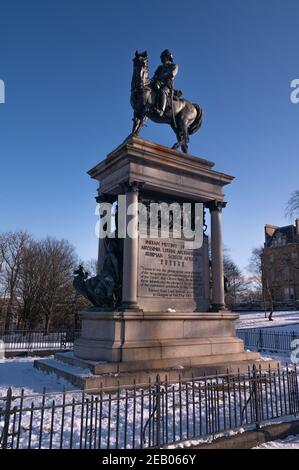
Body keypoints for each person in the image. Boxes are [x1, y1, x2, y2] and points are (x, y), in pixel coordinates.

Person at [152, 49, 179, 117]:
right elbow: (154, 76)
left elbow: (172, 74)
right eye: (161, 57)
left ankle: (161, 111)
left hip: (167, 86)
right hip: (157, 83)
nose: (162, 59)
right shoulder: (160, 68)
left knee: (162, 91)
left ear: (168, 57)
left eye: (163, 57)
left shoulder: (174, 65)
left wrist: (160, 77)